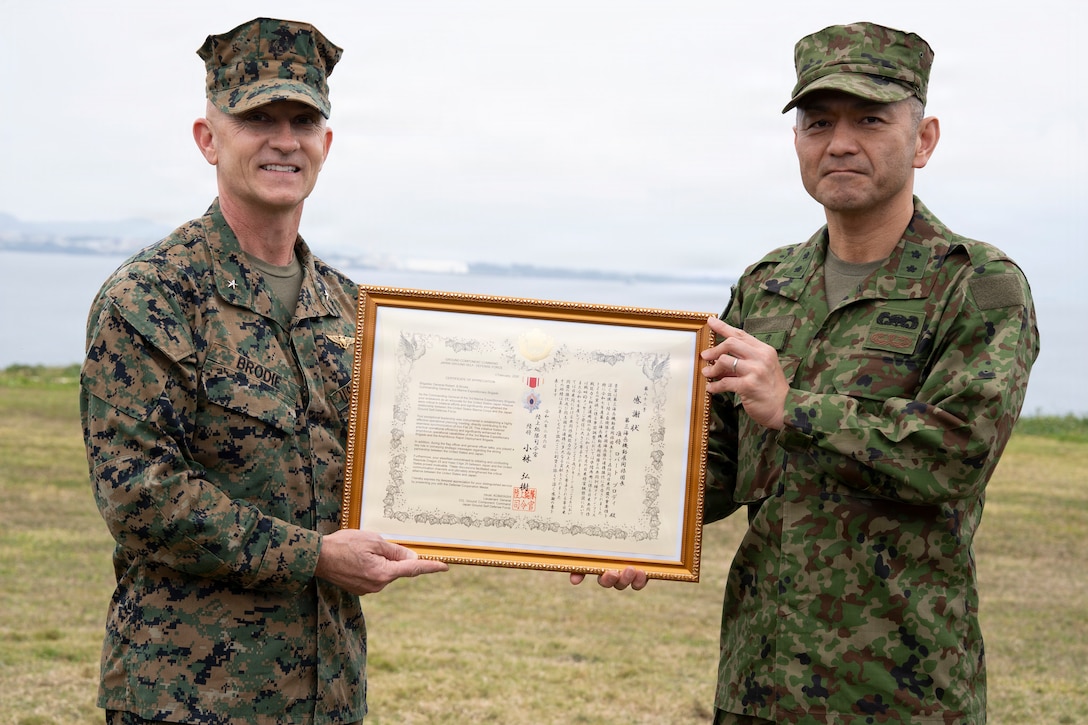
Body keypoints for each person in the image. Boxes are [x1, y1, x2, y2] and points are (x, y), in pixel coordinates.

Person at [582, 21, 1039, 725]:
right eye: (818, 122)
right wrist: (620, 526)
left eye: (870, 119)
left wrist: (794, 406)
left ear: (924, 139)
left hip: (899, 689)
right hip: (759, 680)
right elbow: (718, 462)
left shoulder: (975, 286)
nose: (841, 142)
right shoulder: (767, 287)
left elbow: (956, 452)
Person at [79, 17, 447, 724]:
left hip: (328, 694)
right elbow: (141, 497)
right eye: (258, 117)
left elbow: (419, 465)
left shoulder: (353, 312)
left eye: (303, 119)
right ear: (208, 138)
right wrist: (313, 555)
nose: (284, 139)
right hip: (186, 697)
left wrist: (577, 535)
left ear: (326, 144)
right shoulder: (150, 298)